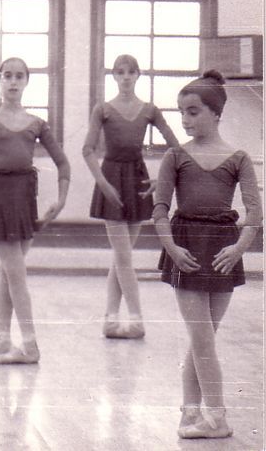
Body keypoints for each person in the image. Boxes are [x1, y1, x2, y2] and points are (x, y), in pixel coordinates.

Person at [153, 71, 261, 439]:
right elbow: (159, 210)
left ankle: (190, 413)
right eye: (181, 112)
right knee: (202, 339)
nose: (185, 119)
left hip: (222, 252)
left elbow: (255, 215)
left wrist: (237, 249)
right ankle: (217, 417)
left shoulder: (239, 158)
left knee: (205, 339)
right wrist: (171, 247)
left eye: (193, 111)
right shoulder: (175, 156)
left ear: (216, 113)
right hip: (186, 249)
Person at [0, 57, 70, 364]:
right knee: (16, 275)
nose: (13, 81)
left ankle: (1, 341)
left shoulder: (36, 123)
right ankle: (30, 345)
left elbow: (63, 163)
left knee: (9, 274)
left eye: (19, 76)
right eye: (7, 75)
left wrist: (60, 200)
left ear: (26, 81)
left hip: (25, 198)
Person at [82, 54, 180, 339]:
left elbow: (175, 149)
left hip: (137, 181)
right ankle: (136, 319)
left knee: (120, 258)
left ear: (138, 76)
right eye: (120, 72)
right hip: (111, 180)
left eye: (131, 72)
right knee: (124, 258)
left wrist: (161, 179)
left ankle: (111, 320)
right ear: (113, 76)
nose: (125, 77)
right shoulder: (103, 109)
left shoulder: (149, 109)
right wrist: (102, 183)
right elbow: (87, 150)